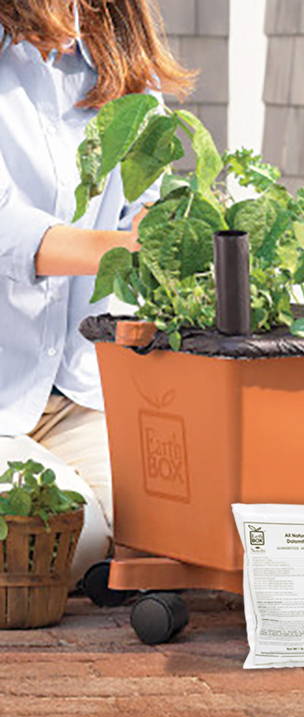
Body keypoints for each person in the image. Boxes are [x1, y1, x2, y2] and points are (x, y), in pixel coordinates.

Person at [0, 0, 193, 584]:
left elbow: (146, 205)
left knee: (169, 526)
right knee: (68, 539)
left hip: (79, 392)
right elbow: (9, 228)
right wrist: (123, 246)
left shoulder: (117, 59)